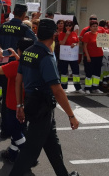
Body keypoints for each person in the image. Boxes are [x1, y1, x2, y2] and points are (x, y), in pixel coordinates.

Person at [10, 18, 79, 176]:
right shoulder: (46, 57)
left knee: (52, 144)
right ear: (54, 35)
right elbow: (57, 89)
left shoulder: (27, 52)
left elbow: (18, 80)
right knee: (29, 151)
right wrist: (71, 115)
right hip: (42, 107)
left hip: (32, 103)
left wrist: (19, 106)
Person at [0, 3, 37, 139]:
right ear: (24, 14)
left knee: (6, 99)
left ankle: (4, 129)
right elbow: (35, 45)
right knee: (19, 99)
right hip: (19, 67)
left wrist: (2, 55)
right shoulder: (24, 28)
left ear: (12, 12)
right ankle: (19, 131)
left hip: (4, 67)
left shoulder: (4, 26)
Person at [0, 37, 34, 163]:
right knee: (20, 128)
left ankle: (29, 157)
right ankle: (12, 153)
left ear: (19, 49)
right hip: (28, 101)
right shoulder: (32, 62)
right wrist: (17, 56)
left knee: (15, 132)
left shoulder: (16, 65)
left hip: (14, 103)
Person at [58, 20, 83, 94]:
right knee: (64, 72)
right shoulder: (62, 34)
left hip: (72, 56)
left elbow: (78, 42)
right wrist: (66, 35)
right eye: (66, 25)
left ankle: (78, 87)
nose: (68, 27)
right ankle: (64, 87)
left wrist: (75, 44)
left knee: (76, 72)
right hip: (64, 56)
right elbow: (61, 43)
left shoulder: (74, 33)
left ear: (72, 26)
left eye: (70, 25)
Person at [82, 20, 104, 94]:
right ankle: (87, 88)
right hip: (90, 56)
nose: (95, 28)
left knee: (97, 73)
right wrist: (87, 56)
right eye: (93, 26)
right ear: (90, 27)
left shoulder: (99, 34)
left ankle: (95, 87)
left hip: (99, 56)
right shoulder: (87, 34)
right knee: (89, 72)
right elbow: (84, 46)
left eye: (96, 26)